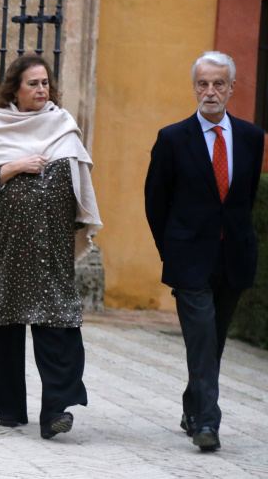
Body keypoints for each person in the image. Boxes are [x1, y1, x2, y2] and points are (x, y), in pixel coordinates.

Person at [0, 54, 101, 440]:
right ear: (15, 90)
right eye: (33, 84)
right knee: (5, 326)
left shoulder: (63, 126)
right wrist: (14, 166)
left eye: (45, 83)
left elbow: (81, 183)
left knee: (57, 323)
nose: (41, 90)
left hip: (50, 247)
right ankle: (9, 409)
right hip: (7, 246)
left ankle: (55, 410)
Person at [145, 51, 264, 452]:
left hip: (233, 257)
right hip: (188, 258)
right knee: (200, 339)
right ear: (194, 87)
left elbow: (242, 199)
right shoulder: (172, 138)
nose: (209, 91)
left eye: (218, 84)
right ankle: (207, 424)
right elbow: (155, 201)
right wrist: (173, 251)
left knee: (213, 340)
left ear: (231, 88)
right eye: (202, 83)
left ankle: (191, 406)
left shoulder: (251, 136)